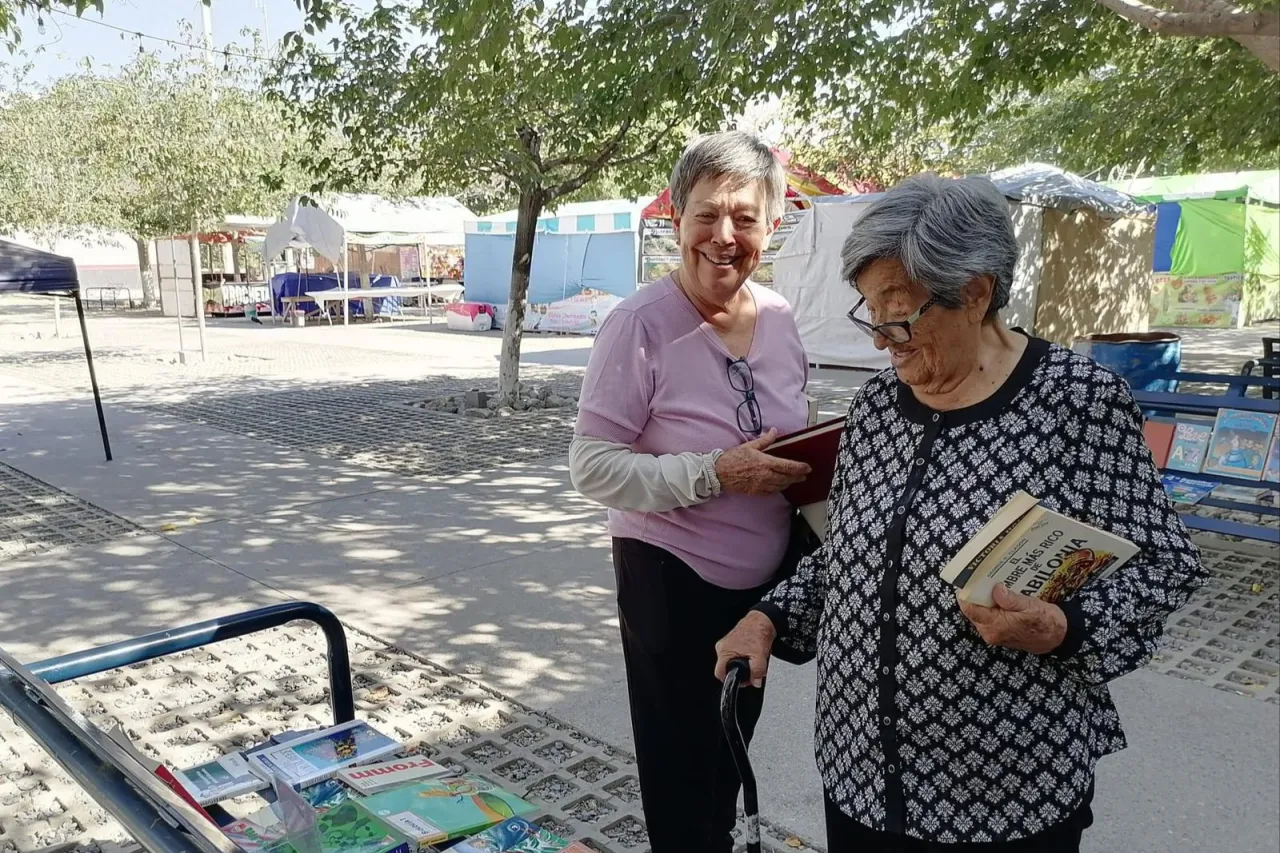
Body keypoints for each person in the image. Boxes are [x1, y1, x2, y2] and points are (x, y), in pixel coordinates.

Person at [714, 173, 1207, 852]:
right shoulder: (879, 408)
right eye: (870, 311)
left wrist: (1065, 626)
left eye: (900, 313)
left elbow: (1165, 565)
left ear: (976, 292)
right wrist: (768, 615)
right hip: (860, 774)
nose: (883, 339)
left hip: (1002, 794)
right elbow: (852, 553)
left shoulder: (1078, 403)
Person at [570, 130, 815, 852]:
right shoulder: (638, 324)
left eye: (745, 216)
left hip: (763, 587)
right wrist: (714, 472)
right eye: (706, 214)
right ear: (676, 218)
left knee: (728, 763)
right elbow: (591, 466)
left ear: (772, 224)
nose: (725, 235)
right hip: (671, 583)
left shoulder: (777, 317)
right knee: (682, 779)